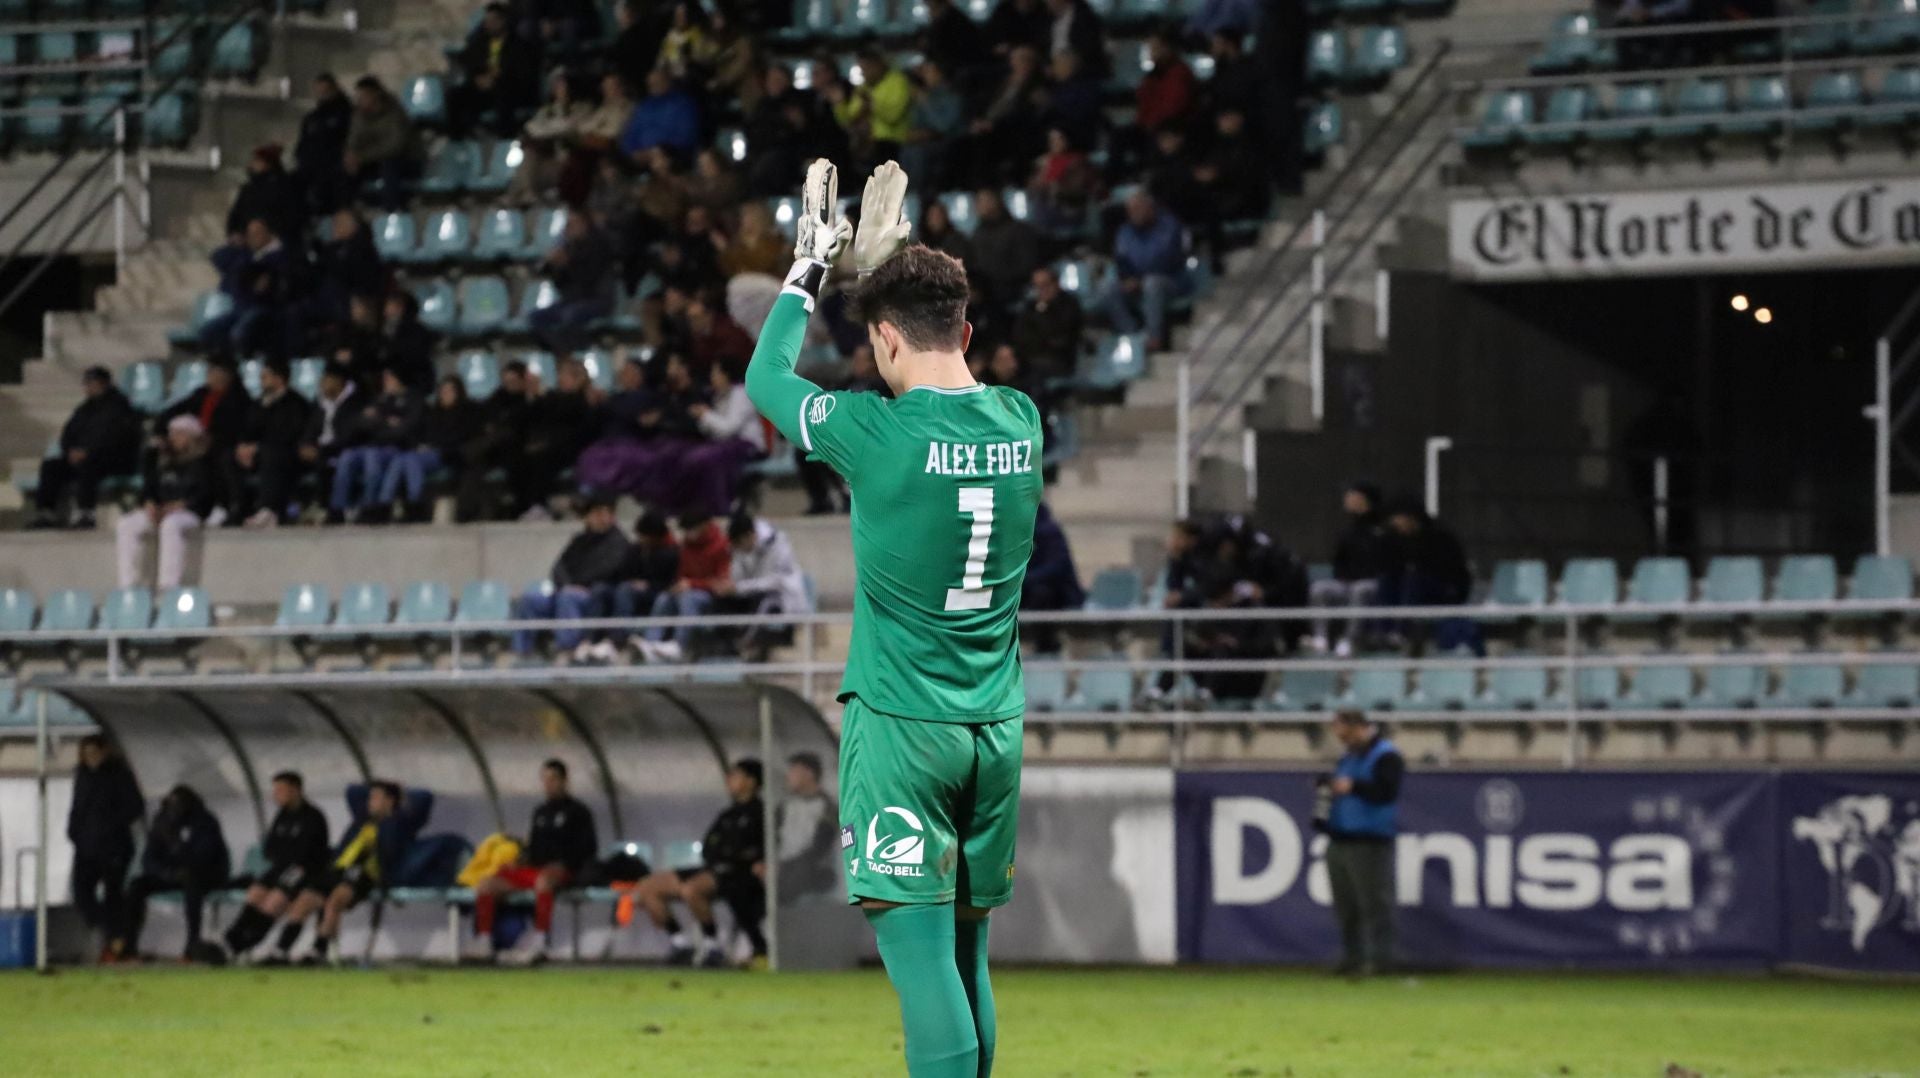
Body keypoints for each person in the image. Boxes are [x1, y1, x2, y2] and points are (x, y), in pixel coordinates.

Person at [745, 161, 1042, 1078]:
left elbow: (766, 377)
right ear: (967, 327)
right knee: (966, 954)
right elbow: (926, 363)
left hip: (903, 728)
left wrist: (809, 271)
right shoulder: (1022, 420)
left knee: (917, 962)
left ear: (881, 340)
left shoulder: (873, 433)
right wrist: (883, 276)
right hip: (992, 725)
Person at [279, 780, 430, 965]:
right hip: (338, 868)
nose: (369, 801)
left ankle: (318, 951)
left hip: (365, 872)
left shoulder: (399, 822)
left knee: (335, 901)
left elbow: (424, 798)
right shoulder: (361, 821)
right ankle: (280, 951)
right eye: (370, 797)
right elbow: (352, 790)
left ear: (390, 801)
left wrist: (399, 792)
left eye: (375, 797)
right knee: (304, 900)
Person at [633, 759, 766, 966]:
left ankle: (713, 946)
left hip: (737, 874)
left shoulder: (761, 813)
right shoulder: (728, 814)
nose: (729, 780)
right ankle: (679, 943)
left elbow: (756, 850)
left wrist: (735, 855)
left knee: (691, 890)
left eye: (736, 775)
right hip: (710, 868)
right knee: (647, 887)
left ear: (751, 781)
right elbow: (710, 845)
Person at [468, 759, 599, 965]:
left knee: (544, 881)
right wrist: (521, 859)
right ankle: (484, 939)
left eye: (553, 779)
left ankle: (541, 940)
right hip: (534, 869)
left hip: (562, 871)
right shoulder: (540, 812)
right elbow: (534, 847)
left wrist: (564, 864)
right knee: (487, 884)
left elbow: (588, 848)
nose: (548, 784)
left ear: (564, 781)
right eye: (545, 779)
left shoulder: (579, 812)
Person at [1320, 710, 1403, 977]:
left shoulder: (1387, 756)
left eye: (1344, 733)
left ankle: (1381, 961)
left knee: (1374, 905)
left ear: (1359, 728)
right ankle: (1352, 958)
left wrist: (1352, 787)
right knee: (1346, 907)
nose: (1342, 739)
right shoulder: (1348, 757)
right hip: (1341, 838)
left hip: (1370, 841)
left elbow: (1386, 792)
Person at [220, 771, 331, 963]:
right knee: (255, 893)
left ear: (295, 790)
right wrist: (284, 854)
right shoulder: (282, 815)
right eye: (275, 790)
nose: (275, 795)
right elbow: (270, 847)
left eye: (280, 790)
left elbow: (305, 854)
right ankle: (231, 940)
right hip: (281, 867)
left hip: (303, 870)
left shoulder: (313, 817)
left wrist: (286, 854)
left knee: (274, 901)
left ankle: (245, 943)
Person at [513, 497, 634, 660]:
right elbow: (559, 567)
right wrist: (567, 584)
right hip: (568, 590)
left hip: (596, 595)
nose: (600, 518)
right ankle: (524, 652)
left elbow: (608, 570)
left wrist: (579, 585)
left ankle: (568, 648)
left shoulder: (618, 543)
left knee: (568, 598)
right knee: (529, 600)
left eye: (604, 514)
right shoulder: (579, 540)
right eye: (596, 514)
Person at [125, 785, 230, 961]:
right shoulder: (161, 822)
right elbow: (149, 859)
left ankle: (192, 945)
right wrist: (166, 873)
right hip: (171, 874)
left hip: (204, 875)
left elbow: (206, 856)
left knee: (192, 883)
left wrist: (177, 846)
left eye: (179, 804)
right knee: (137, 885)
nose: (175, 809)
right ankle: (128, 946)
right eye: (171, 804)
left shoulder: (205, 821)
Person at [31, 366, 140, 530]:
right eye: (86, 383)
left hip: (114, 459)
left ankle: (86, 513)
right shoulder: (84, 409)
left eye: (93, 382)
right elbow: (68, 434)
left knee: (89, 464)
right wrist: (70, 450)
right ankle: (46, 513)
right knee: (51, 466)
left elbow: (118, 438)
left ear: (104, 384)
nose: (88, 386)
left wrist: (89, 452)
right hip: (82, 457)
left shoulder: (120, 407)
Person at [68, 734, 144, 962]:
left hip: (114, 847)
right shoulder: (82, 775)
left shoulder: (119, 775)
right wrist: (73, 832)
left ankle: (116, 942)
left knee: (113, 894)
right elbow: (77, 807)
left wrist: (111, 826)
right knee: (81, 891)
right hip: (87, 846)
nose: (90, 758)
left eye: (94, 753)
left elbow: (135, 807)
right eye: (86, 754)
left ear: (104, 752)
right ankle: (108, 928)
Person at [116, 415, 215, 589]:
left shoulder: (204, 462)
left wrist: (181, 505)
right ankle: (128, 583)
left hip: (188, 512)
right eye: (173, 434)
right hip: (161, 510)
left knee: (171, 525)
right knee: (127, 524)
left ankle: (169, 584)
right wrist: (149, 503)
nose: (174, 438)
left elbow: (206, 494)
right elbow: (150, 488)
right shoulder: (163, 461)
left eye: (180, 434)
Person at [1380, 498, 1482, 655]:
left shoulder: (1440, 537)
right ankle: (1385, 631)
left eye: (1399, 521)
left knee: (1413, 578)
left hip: (1446, 591)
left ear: (1410, 518)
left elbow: (1455, 574)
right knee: (1387, 580)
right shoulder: (1397, 539)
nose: (1396, 525)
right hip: (1415, 593)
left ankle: (1402, 630)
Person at [632, 511, 732, 662]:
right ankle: (651, 643)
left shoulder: (721, 546)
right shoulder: (686, 545)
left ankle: (680, 646)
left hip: (709, 595)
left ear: (704, 526)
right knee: (664, 598)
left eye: (691, 529)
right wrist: (678, 584)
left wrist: (692, 584)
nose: (688, 533)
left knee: (688, 598)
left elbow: (722, 582)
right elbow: (682, 573)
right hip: (687, 589)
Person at [378, 374, 480, 522]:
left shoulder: (466, 413)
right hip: (428, 451)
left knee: (410, 460)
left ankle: (415, 506)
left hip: (449, 454)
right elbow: (425, 435)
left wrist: (434, 445)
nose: (446, 394)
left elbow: (460, 439)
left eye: (450, 391)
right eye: (443, 391)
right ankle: (384, 505)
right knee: (401, 459)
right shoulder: (433, 413)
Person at [328, 367, 421, 523]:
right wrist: (385, 422)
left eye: (389, 377)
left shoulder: (413, 400)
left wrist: (377, 423)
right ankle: (338, 509)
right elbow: (360, 423)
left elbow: (402, 431)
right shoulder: (381, 399)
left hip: (397, 448)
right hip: (372, 445)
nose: (386, 381)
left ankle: (370, 507)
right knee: (347, 457)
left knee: (372, 456)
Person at [1099, 191, 1189, 351]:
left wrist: (1139, 280)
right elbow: (1121, 260)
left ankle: (1154, 338)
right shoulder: (1125, 231)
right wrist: (1126, 278)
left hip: (1170, 281)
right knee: (1107, 288)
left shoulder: (1169, 226)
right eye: (1131, 210)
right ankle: (1132, 334)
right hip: (1137, 281)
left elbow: (1167, 260)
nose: (1134, 214)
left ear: (1150, 208)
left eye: (1138, 209)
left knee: (1152, 283)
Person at [715, 512, 810, 659]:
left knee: (764, 603)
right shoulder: (741, 548)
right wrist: (730, 586)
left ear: (749, 535)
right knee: (722, 600)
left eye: (740, 545)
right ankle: (726, 645)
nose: (739, 550)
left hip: (782, 597)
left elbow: (775, 582)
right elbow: (739, 576)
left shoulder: (778, 543)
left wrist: (739, 588)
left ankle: (746, 644)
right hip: (753, 592)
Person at [511, 359, 597, 520]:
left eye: (565, 375)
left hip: (571, 448)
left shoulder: (581, 399)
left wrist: (543, 394)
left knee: (541, 458)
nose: (560, 378)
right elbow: (533, 416)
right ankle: (522, 506)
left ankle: (539, 506)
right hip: (548, 444)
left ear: (578, 379)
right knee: (519, 458)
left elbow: (570, 419)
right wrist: (532, 395)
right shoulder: (555, 397)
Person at [680, 360, 768, 516]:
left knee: (709, 457)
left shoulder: (741, 394)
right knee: (692, 456)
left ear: (726, 375)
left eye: (715, 373)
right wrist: (703, 417)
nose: (712, 377)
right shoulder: (718, 396)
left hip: (746, 445)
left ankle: (723, 506)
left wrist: (705, 414)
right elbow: (715, 430)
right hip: (725, 444)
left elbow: (729, 427)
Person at [232, 358, 313, 528]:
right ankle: (233, 508)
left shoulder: (296, 403)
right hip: (258, 453)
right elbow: (247, 430)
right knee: (226, 457)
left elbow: (290, 435)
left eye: (265, 377)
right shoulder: (259, 403)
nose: (261, 381)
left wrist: (258, 447)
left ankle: (268, 510)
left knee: (271, 454)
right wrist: (243, 446)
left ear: (279, 378)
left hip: (288, 455)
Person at [1310, 483, 1389, 655]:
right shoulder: (1347, 531)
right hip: (1347, 584)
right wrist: (1343, 577)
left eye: (1354, 497)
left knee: (1360, 589)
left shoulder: (1382, 530)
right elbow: (1339, 562)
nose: (1348, 500)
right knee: (1319, 589)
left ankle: (1349, 639)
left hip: (1372, 585)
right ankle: (1320, 638)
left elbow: (1385, 565)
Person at [201, 220, 294, 362]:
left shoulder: (281, 255)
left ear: (268, 233)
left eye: (256, 234)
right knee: (209, 331)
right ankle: (222, 364)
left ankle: (245, 363)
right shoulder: (246, 255)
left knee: (240, 332)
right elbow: (218, 258)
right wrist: (234, 244)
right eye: (249, 234)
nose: (252, 238)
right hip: (241, 309)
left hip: (266, 309)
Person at [594, 509, 680, 659]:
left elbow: (670, 582)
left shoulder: (672, 552)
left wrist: (648, 585)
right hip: (630, 589)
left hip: (656, 591)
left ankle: (618, 638)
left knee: (625, 590)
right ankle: (592, 639)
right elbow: (622, 573)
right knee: (601, 590)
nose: (641, 539)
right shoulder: (635, 550)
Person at [529, 213, 620, 354]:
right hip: (573, 300)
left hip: (597, 299)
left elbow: (589, 279)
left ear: (585, 225)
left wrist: (567, 263)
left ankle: (580, 351)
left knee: (571, 315)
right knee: (536, 317)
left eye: (574, 224)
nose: (570, 229)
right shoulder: (569, 248)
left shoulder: (598, 245)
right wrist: (556, 266)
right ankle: (560, 351)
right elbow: (562, 285)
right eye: (568, 225)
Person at [454, 359, 531, 521]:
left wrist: (498, 425)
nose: (509, 385)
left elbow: (521, 425)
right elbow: (485, 418)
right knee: (474, 467)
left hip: (515, 449)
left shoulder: (529, 399)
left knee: (502, 434)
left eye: (513, 381)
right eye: (506, 381)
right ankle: (464, 513)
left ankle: (468, 451)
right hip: (492, 451)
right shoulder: (498, 396)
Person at [449, 3, 539, 137]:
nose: (488, 24)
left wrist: (496, 78)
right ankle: (459, 140)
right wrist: (477, 78)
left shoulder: (518, 45)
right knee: (454, 95)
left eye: (492, 20)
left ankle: (504, 139)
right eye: (486, 21)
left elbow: (522, 73)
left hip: (509, 89)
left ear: (502, 21)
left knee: (504, 95)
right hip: (484, 89)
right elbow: (468, 61)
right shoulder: (480, 42)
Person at [344, 76, 423, 211]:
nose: (359, 100)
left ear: (375, 94)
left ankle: (391, 211)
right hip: (373, 161)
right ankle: (347, 212)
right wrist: (351, 156)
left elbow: (395, 146)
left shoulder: (395, 112)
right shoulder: (359, 115)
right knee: (344, 168)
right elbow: (353, 141)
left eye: (363, 96)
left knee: (389, 165)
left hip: (407, 160)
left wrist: (363, 157)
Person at [1022, 502, 1085, 654]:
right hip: (1030, 593)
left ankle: (1046, 648)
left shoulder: (1048, 532)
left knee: (1041, 594)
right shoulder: (1018, 535)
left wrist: (1023, 580)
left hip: (1059, 596)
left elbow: (1056, 568)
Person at [969, 187, 1041, 319]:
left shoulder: (1018, 230)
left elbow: (1026, 267)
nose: (979, 205)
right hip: (983, 293)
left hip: (1009, 293)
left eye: (984, 201)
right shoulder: (978, 233)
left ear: (996, 202)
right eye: (978, 201)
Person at [776, 752, 840, 899]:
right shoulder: (785, 807)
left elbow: (821, 847)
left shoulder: (827, 807)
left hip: (812, 870)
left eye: (794, 771)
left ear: (809, 774)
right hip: (782, 868)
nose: (789, 776)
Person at [225, 144, 304, 256]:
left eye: (257, 160)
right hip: (246, 241)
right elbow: (235, 214)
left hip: (273, 242)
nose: (253, 164)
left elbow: (290, 217)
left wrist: (268, 234)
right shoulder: (249, 188)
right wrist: (235, 233)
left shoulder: (284, 186)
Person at [292, 73, 353, 215]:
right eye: (319, 92)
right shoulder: (311, 118)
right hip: (310, 165)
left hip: (333, 163)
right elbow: (302, 143)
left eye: (325, 91)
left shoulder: (347, 114)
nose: (322, 95)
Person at [1009, 266, 1082, 380]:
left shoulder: (1069, 304)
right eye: (1037, 286)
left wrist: (1041, 311)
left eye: (1045, 285)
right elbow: (1020, 334)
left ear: (1056, 283)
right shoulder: (1031, 306)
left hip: (1057, 358)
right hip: (1030, 354)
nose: (1042, 290)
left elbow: (1058, 336)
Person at [620, 67, 700, 161]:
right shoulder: (644, 106)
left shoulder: (683, 103)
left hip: (671, 156)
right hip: (641, 158)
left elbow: (687, 136)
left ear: (668, 81)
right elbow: (630, 133)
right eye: (650, 84)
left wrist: (657, 152)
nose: (653, 86)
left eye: (657, 82)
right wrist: (633, 152)